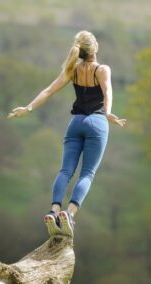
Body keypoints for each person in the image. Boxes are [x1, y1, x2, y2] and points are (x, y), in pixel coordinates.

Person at [7, 30, 126, 238]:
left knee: (65, 171)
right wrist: (107, 113)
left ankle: (53, 211)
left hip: (76, 123)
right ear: (95, 48)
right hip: (96, 123)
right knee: (87, 173)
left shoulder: (73, 70)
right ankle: (69, 214)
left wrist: (28, 108)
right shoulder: (102, 69)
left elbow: (49, 90)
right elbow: (108, 91)